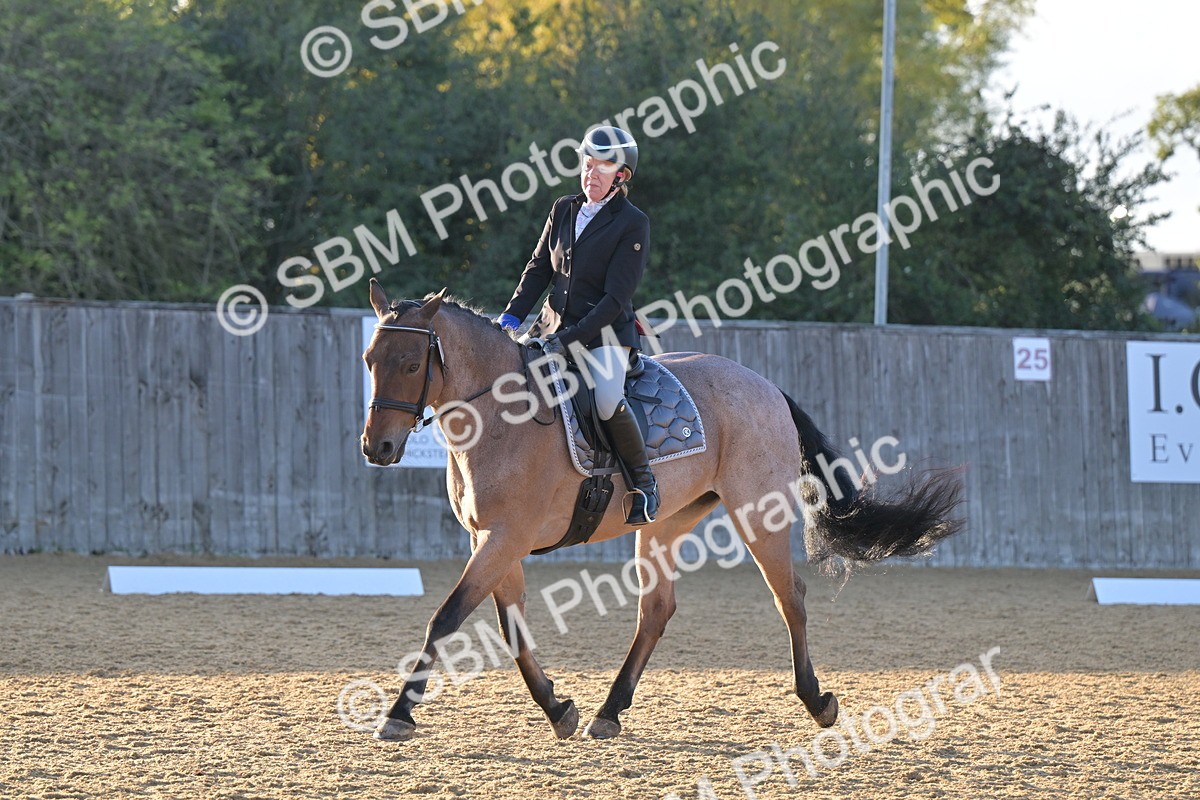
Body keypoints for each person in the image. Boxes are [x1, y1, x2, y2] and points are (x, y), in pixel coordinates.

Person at [497, 125, 659, 526]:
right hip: (550, 329)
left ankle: (644, 485)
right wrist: (512, 316)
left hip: (604, 334)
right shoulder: (563, 208)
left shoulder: (632, 223)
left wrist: (567, 341)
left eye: (603, 167)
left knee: (605, 399)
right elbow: (537, 270)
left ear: (621, 176)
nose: (592, 174)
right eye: (588, 164)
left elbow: (614, 300)